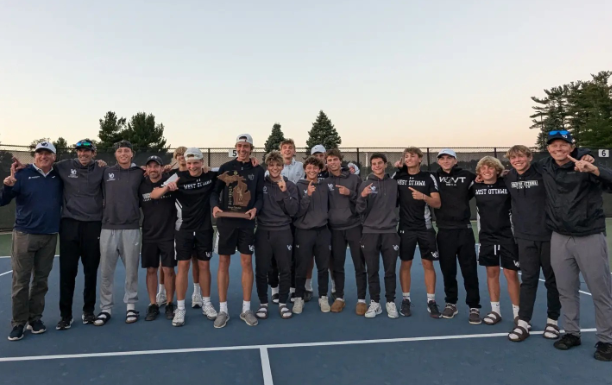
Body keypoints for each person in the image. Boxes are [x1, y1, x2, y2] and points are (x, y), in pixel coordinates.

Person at [539, 130, 612, 361]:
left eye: (563, 145)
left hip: (589, 235)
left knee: (600, 292)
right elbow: (517, 169)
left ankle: (606, 340)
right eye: (553, 145)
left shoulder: (587, 166)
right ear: (548, 148)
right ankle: (572, 333)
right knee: (566, 290)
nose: (558, 149)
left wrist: (594, 167)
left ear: (572, 147)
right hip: (560, 237)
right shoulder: (545, 167)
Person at [1, 141, 62, 341]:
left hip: (50, 235)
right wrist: (7, 186)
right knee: (20, 282)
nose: (43, 156)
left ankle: (35, 318)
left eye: (48, 154)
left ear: (54, 157)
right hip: (24, 235)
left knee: (41, 281)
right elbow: (3, 200)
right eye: (39, 153)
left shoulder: (57, 176)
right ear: (34, 156)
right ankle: (18, 322)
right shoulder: (21, 175)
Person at [151, 148, 218, 326]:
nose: (193, 166)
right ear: (185, 163)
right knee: (183, 267)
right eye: (189, 163)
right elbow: (154, 194)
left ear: (202, 162)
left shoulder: (210, 176)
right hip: (183, 229)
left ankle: (207, 303)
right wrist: (167, 187)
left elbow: (228, 171)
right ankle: (180, 308)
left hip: (204, 229)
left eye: (196, 162)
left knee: (204, 266)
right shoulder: (177, 177)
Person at [504, 145, 561, 342]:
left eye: (521, 156)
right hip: (524, 238)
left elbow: (561, 157)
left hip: (548, 235)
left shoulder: (542, 171)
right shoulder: (508, 177)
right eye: (513, 157)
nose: (517, 160)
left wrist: (585, 155)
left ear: (529, 157)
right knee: (528, 281)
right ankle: (523, 322)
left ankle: (553, 321)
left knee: (553, 281)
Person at [211, 134, 264, 328]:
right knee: (223, 262)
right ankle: (223, 310)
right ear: (235, 147)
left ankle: (246, 309)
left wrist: (255, 209)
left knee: (246, 262)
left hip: (247, 223)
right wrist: (215, 207)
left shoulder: (258, 170)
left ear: (251, 148)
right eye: (240, 146)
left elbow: (259, 195)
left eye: (246, 146)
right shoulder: (226, 168)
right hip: (226, 223)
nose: (243, 149)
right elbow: (214, 192)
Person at [53, 139, 105, 330]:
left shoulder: (102, 169)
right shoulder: (63, 166)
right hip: (69, 225)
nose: (83, 154)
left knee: (90, 272)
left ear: (94, 153)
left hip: (93, 226)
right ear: (76, 152)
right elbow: (42, 165)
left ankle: (88, 311)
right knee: (67, 272)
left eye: (87, 151)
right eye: (80, 151)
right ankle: (65, 316)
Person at [95, 140, 144, 326]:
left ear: (132, 154)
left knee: (131, 271)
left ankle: (131, 307)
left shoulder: (140, 173)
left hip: (131, 228)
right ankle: (105, 308)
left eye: (127, 151)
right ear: (115, 155)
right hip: (107, 228)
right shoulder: (106, 172)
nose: (123, 153)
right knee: (106, 272)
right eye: (120, 151)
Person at [433, 149, 482, 324]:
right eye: (442, 158)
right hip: (444, 231)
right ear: (438, 161)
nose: (446, 161)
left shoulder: (467, 176)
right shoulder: (433, 177)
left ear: (455, 160)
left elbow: (484, 178)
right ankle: (451, 303)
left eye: (449, 158)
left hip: (464, 230)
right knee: (448, 271)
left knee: (469, 271)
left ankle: (474, 306)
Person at [393, 147, 442, 318]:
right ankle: (406, 299)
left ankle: (431, 301)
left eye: (412, 156)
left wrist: (424, 197)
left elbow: (437, 203)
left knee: (428, 264)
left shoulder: (429, 177)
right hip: (405, 228)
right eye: (406, 156)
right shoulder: (398, 176)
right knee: (405, 264)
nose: (409, 158)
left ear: (420, 159)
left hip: (425, 228)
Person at [473, 156, 520, 326]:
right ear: (479, 172)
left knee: (511, 274)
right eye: (483, 168)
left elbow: (520, 173)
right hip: (487, 237)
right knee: (492, 273)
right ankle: (495, 311)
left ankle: (518, 313)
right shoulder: (475, 186)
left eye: (490, 168)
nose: (487, 171)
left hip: (508, 236)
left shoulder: (506, 183)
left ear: (497, 170)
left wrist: (509, 172)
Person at [155, 146, 202, 309]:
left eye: (184, 154)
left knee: (195, 259)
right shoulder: (171, 176)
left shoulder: (196, 174)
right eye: (178, 155)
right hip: (172, 224)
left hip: (193, 224)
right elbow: (156, 189)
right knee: (166, 261)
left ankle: (197, 293)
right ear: (175, 158)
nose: (181, 157)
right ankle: (162, 292)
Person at [255, 151, 298, 320]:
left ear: (282, 166)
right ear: (268, 166)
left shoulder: (290, 185)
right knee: (262, 269)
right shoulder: (261, 185)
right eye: (271, 165)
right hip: (263, 231)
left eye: (278, 165)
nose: (274, 168)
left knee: (285, 269)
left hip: (283, 231)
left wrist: (285, 192)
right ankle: (263, 303)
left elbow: (294, 211)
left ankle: (282, 303)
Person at [356, 153, 400, 319]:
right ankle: (375, 302)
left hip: (390, 232)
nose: (376, 166)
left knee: (390, 271)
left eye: (379, 163)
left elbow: (398, 202)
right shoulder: (365, 184)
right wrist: (362, 196)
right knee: (372, 270)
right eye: (373, 164)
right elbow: (359, 210)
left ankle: (390, 302)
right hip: (370, 233)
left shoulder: (394, 184)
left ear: (385, 164)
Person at [325, 149, 367, 314]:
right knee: (337, 265)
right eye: (329, 160)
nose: (332, 162)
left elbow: (363, 201)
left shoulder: (354, 179)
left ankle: (362, 299)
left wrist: (350, 193)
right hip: (335, 230)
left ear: (340, 161)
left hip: (354, 227)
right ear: (327, 162)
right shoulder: (325, 181)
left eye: (335, 159)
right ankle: (340, 298)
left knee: (359, 264)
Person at [139, 156, 177, 322]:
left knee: (168, 270)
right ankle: (153, 304)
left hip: (169, 235)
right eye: (150, 166)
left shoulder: (172, 181)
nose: (153, 169)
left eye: (157, 166)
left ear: (163, 168)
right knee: (151, 270)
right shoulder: (140, 185)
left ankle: (170, 303)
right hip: (149, 234)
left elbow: (187, 171)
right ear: (146, 169)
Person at [292, 156, 332, 314]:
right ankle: (299, 298)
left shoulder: (324, 185)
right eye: (309, 167)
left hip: (322, 231)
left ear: (320, 169)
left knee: (323, 267)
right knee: (301, 267)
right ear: (305, 169)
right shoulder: (298, 186)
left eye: (315, 168)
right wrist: (307, 195)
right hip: (303, 232)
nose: (312, 170)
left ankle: (323, 297)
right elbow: (297, 211)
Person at [266, 139, 303, 304]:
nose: (287, 150)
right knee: (272, 258)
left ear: (294, 151)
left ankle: (294, 289)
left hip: (296, 216)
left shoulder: (301, 166)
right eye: (285, 147)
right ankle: (275, 289)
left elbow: (318, 170)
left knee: (293, 256)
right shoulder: (268, 173)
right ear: (280, 151)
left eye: (290, 147)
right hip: (274, 221)